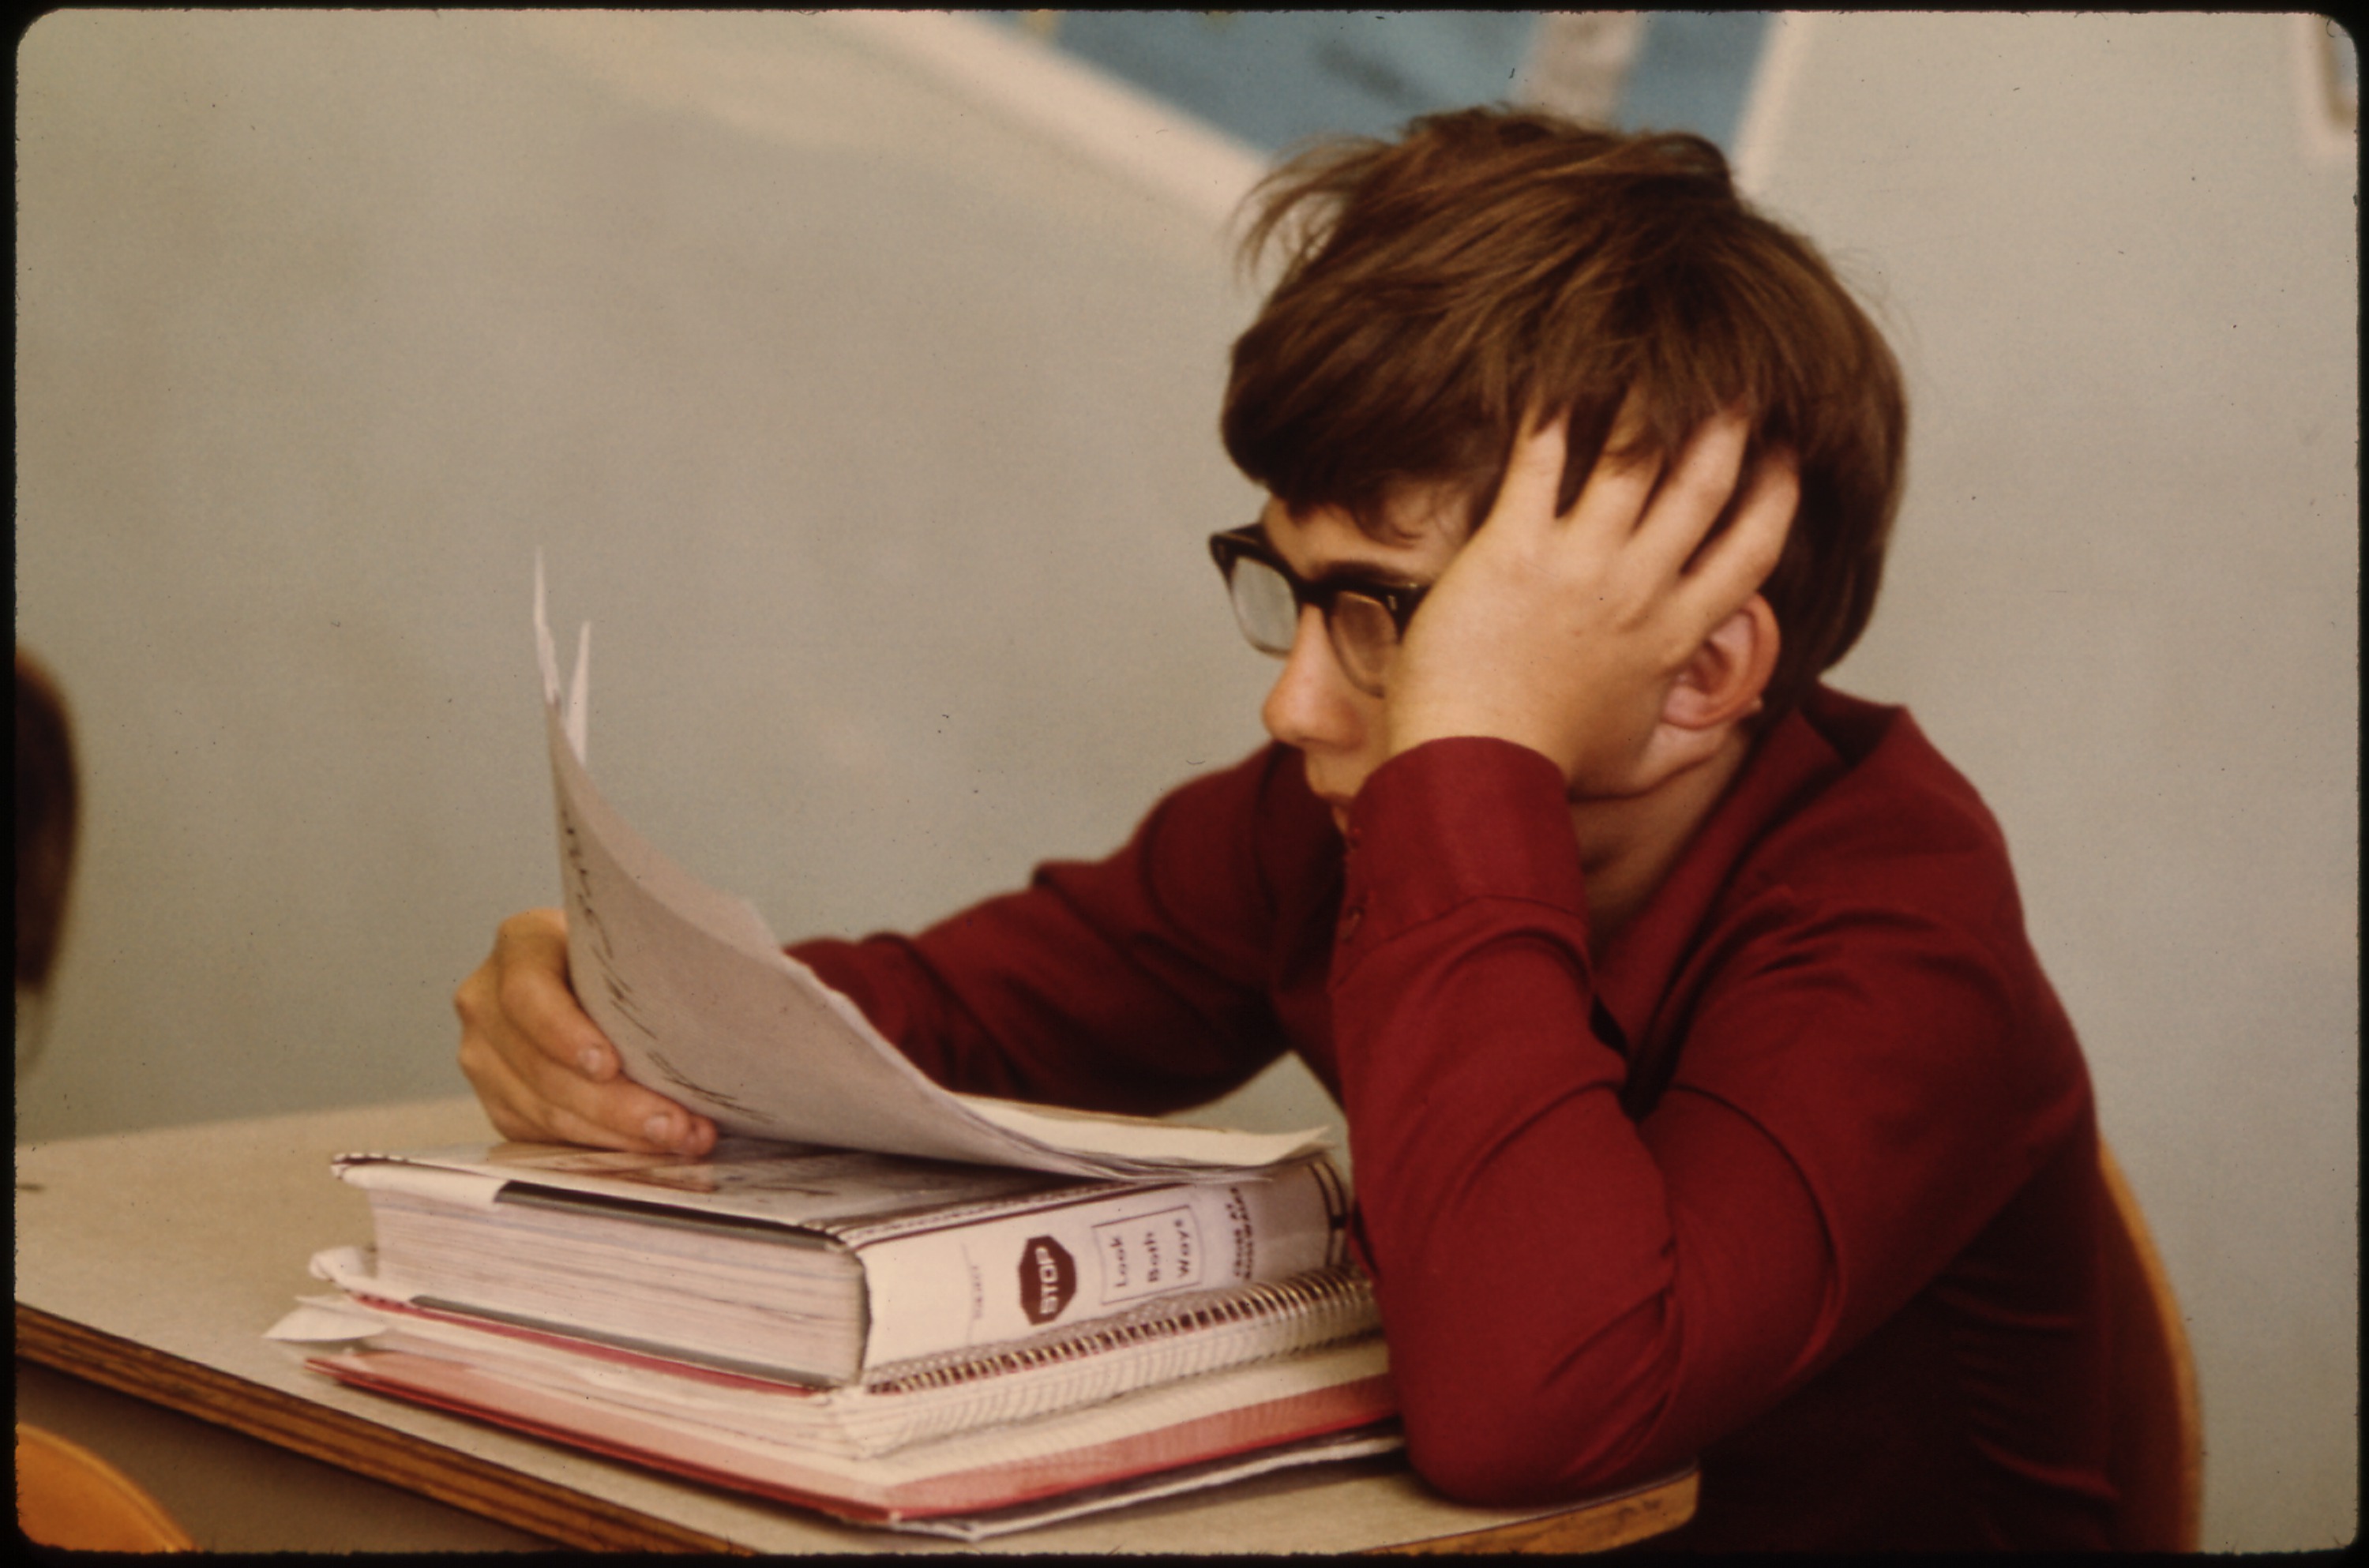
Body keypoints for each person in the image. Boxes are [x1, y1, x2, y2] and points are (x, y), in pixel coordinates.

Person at [456, 109, 2112, 1549]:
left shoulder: (1901, 935)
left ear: (1701, 672)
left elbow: (1532, 1411)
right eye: (1292, 598)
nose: (1295, 707)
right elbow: (932, 1035)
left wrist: (1466, 761)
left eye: (1396, 624)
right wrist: (630, 1013)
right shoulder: (1326, 823)